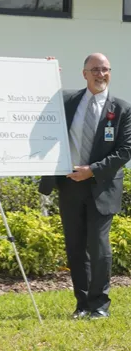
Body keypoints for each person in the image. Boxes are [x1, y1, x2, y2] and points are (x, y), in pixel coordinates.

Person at [40, 53, 131, 320]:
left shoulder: (122, 109)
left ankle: (99, 304)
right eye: (95, 69)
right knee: (75, 246)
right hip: (69, 185)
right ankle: (82, 304)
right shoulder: (67, 101)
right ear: (84, 74)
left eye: (105, 69)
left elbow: (126, 151)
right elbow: (41, 105)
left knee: (99, 245)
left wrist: (92, 170)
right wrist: (46, 74)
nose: (100, 74)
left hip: (102, 186)